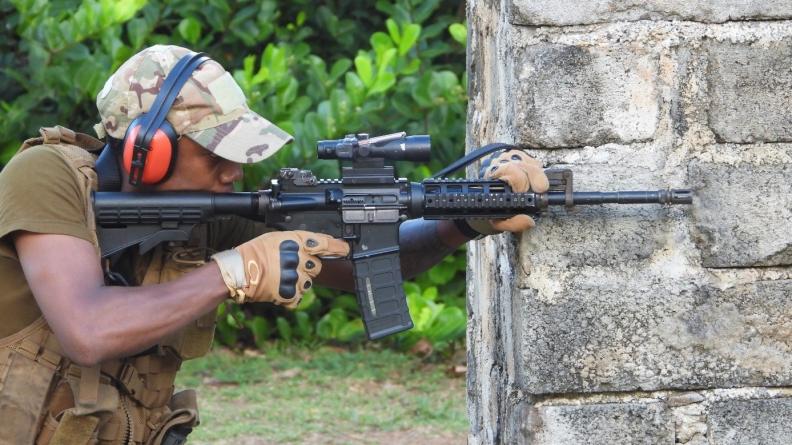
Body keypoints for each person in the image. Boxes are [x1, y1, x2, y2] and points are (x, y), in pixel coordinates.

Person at [0, 45, 548, 444]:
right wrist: (230, 273)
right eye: (216, 154)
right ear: (149, 149)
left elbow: (361, 266)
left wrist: (467, 220)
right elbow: (88, 331)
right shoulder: (46, 174)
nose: (234, 171)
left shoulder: (206, 214)